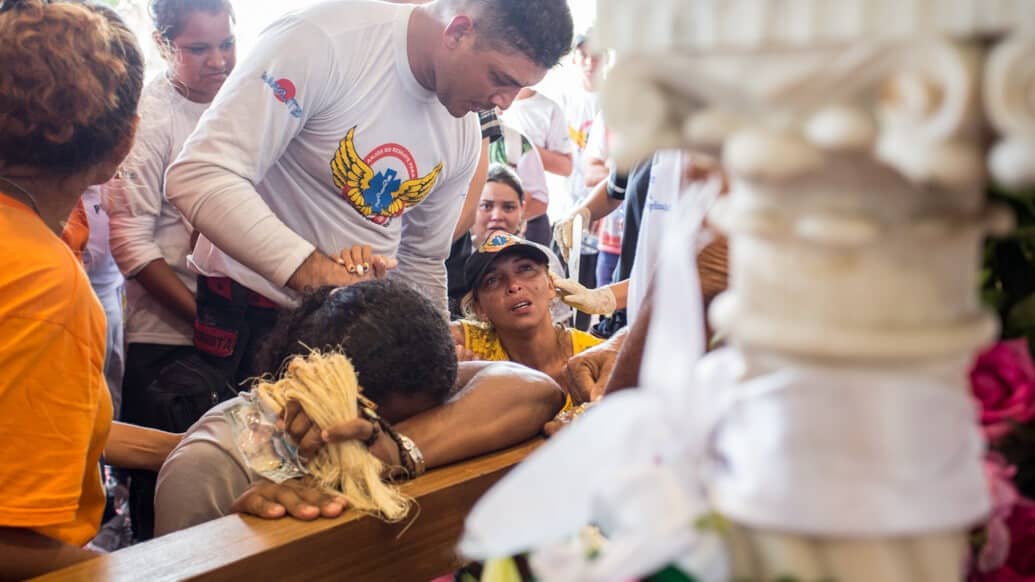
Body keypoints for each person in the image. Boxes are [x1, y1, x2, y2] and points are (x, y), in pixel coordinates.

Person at [164, 0, 574, 385]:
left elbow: (423, 257)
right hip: (252, 314)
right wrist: (318, 274)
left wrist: (434, 344)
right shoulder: (320, 42)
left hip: (361, 330)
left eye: (517, 88)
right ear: (459, 31)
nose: (501, 104)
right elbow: (199, 174)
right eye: (499, 78)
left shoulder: (463, 129)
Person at [0, 1, 184, 577]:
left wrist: (201, 446)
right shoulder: (42, 282)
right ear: (123, 144)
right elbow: (12, 545)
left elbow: (57, 421)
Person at [154, 278, 566, 534]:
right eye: (382, 420)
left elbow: (535, 389)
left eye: (427, 416)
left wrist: (384, 451)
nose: (432, 425)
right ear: (325, 393)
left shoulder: (403, 395)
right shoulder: (213, 464)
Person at [103, 0, 237, 541]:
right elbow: (129, 243)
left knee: (231, 486)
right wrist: (203, 320)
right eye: (198, 49)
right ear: (162, 45)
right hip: (168, 338)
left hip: (236, 326)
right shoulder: (151, 116)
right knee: (169, 502)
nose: (219, 61)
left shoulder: (241, 100)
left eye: (227, 43)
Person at [451, 230, 604, 405]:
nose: (514, 285)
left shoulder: (594, 355)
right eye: (492, 280)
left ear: (551, 285)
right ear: (480, 309)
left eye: (525, 269)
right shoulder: (466, 344)